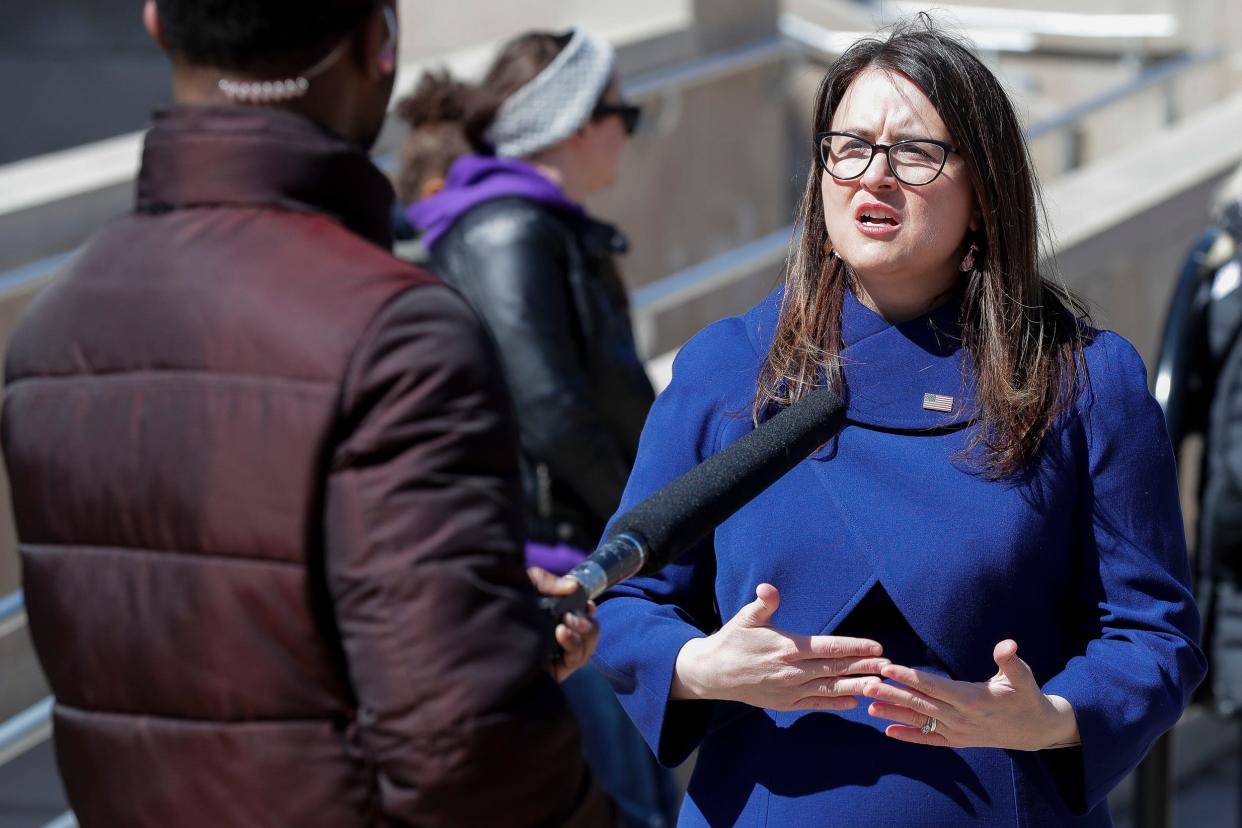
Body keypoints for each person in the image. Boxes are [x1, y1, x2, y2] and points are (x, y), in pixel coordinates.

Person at [0, 2, 613, 826]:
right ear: (377, 45)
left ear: (154, 24)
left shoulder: (54, 330)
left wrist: (485, 625)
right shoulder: (396, 333)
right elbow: (460, 746)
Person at [592, 18, 1206, 827]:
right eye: (848, 146)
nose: (872, 177)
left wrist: (1049, 716)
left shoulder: (1084, 379)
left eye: (915, 152)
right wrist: (700, 665)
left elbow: (1154, 633)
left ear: (985, 192)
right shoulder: (728, 368)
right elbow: (619, 595)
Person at [393, 30, 677, 827]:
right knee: (624, 805)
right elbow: (547, 410)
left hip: (576, 570)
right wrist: (646, 524)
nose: (629, 126)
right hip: (553, 577)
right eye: (623, 110)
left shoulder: (532, 225)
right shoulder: (506, 229)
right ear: (578, 124)